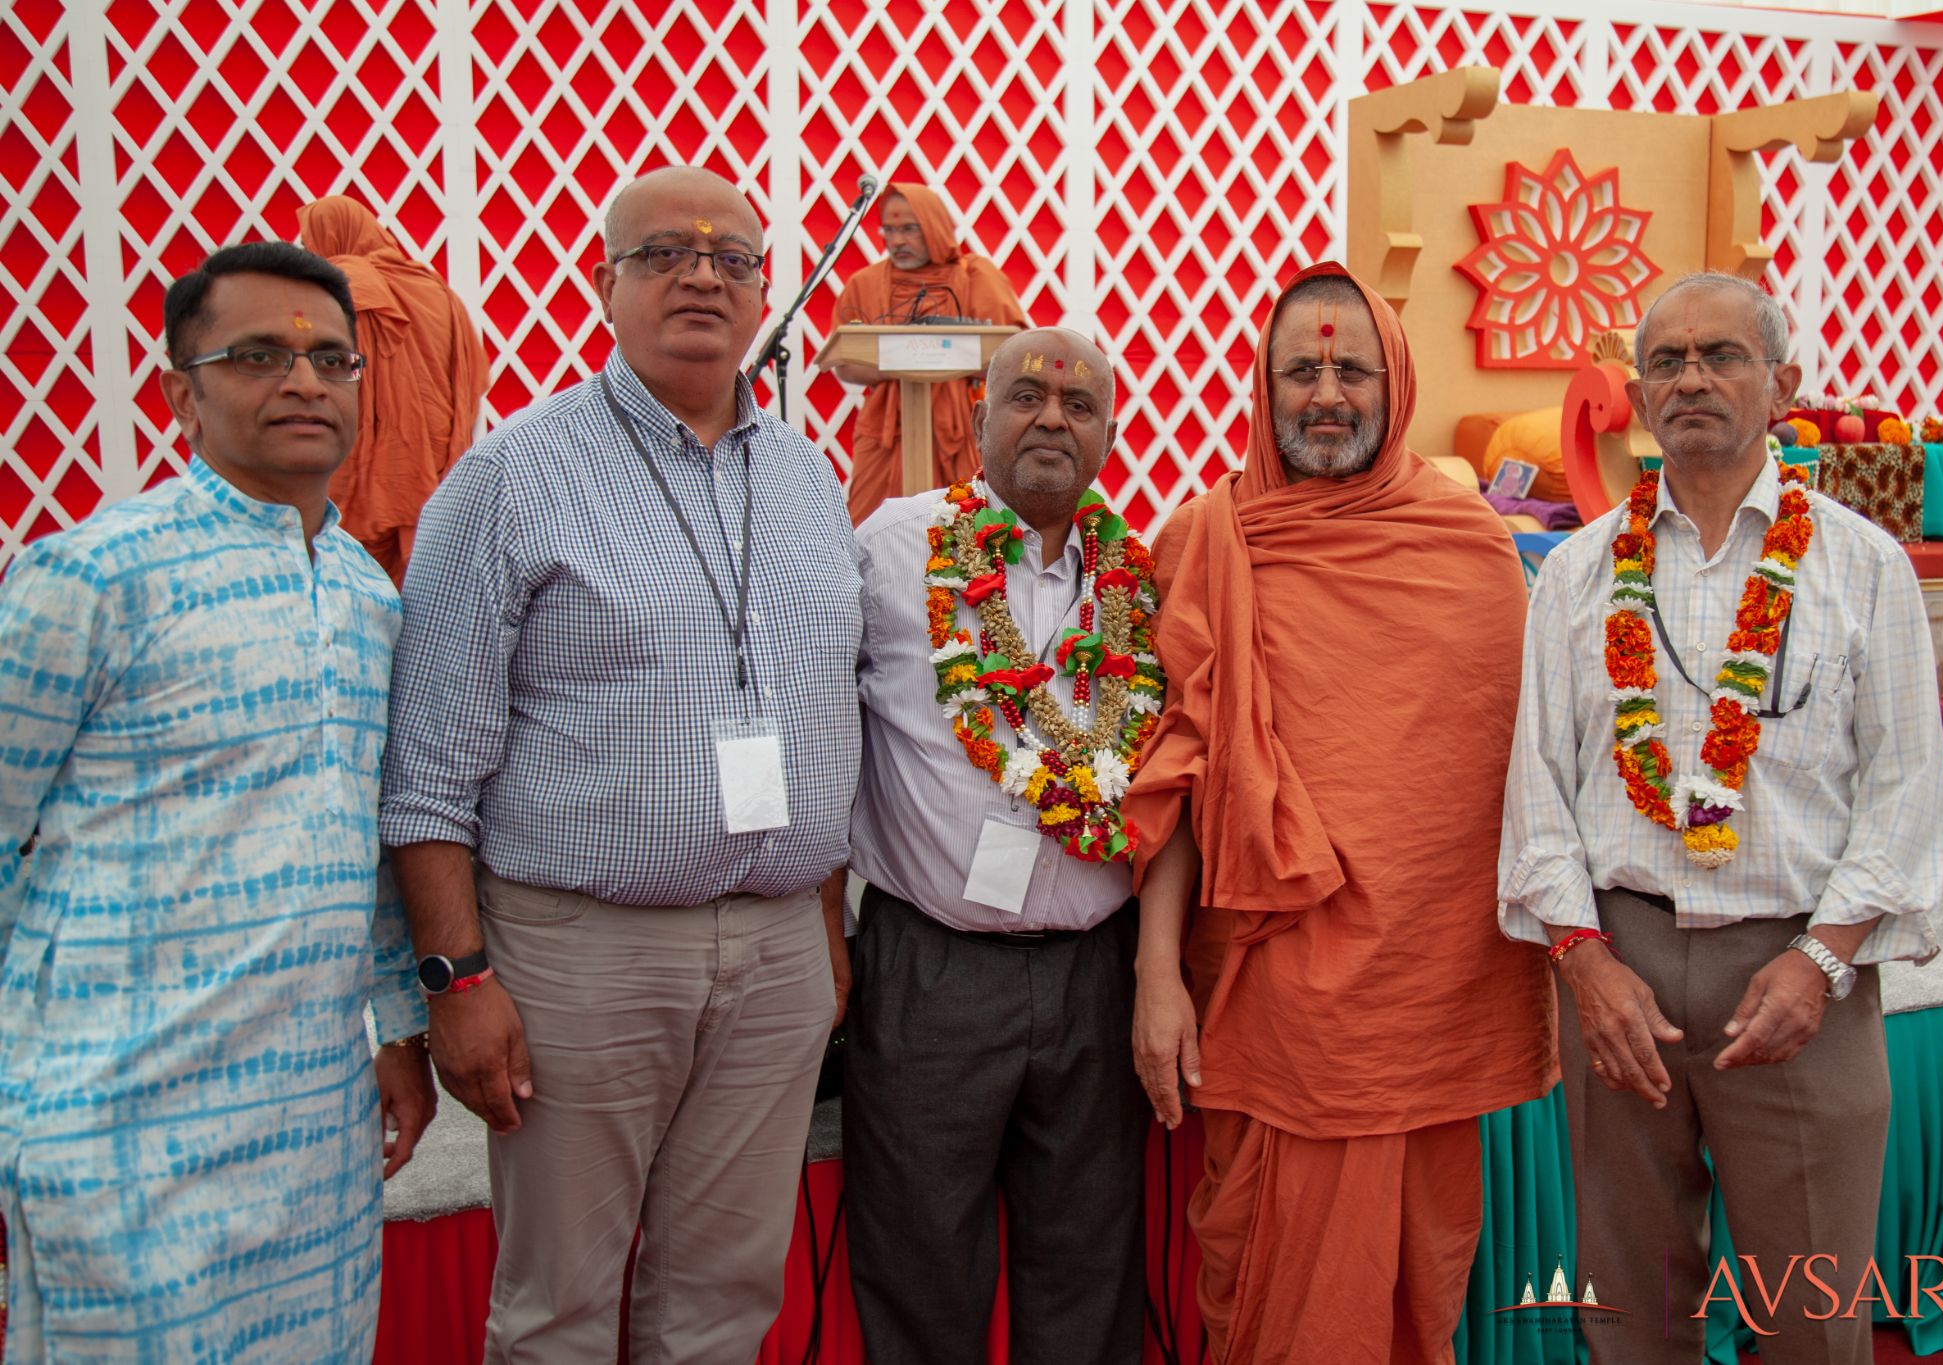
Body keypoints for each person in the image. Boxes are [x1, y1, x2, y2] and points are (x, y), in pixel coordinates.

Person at [380, 167, 860, 1363]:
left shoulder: (808, 480)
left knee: (724, 1301)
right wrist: (456, 982)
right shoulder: (511, 476)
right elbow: (426, 770)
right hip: (581, 956)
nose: (701, 274)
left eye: (731, 258)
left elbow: (825, 722)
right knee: (559, 1307)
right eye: (663, 254)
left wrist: (822, 934)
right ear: (604, 285)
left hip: (775, 953)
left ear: (761, 294)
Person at [1498, 270, 1943, 1363]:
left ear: (1782, 387)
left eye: (1721, 356)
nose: (1690, 379)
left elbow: (1905, 794)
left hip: (1801, 972)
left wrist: (1821, 961)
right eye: (1666, 362)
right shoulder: (1576, 573)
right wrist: (1582, 962)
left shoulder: (1863, 567)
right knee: (1630, 1306)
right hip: (1619, 970)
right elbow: (1536, 790)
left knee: (1811, 1312)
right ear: (1638, 398)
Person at [0, 242, 434, 1361]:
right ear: (179, 392)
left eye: (331, 360)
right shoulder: (89, 576)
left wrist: (400, 1027)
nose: (303, 382)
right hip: (116, 1115)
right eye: (257, 357)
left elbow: (368, 844)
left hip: (313, 1120)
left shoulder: (368, 596)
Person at [1123, 262, 1555, 1365]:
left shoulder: (1469, 549)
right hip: (1260, 988)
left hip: (1418, 998)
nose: (1325, 395)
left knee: (1406, 1277)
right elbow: (1175, 776)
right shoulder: (1206, 541)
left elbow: (1508, 778)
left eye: (1351, 370)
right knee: (1264, 1274)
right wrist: (1156, 975)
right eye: (1299, 373)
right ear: (1261, 388)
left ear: (1395, 383)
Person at [842, 327, 1158, 1364]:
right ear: (978, 420)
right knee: (921, 1271)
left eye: (1079, 405)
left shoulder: (1135, 579)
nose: (1052, 419)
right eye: (1026, 397)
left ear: (1108, 435)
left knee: (1088, 1273)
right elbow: (820, 727)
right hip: (932, 974)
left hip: (1092, 974)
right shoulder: (894, 547)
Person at [298, 194, 489, 585]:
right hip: (439, 455)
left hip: (382, 466)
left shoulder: (348, 288)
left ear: (333, 235)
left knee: (361, 582)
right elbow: (469, 373)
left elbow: (342, 383)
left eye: (310, 240)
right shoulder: (432, 286)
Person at [831, 182, 1029, 525]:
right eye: (889, 230)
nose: (897, 240)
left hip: (960, 423)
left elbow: (1013, 355)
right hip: (886, 430)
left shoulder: (975, 275)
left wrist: (940, 358)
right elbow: (845, 364)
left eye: (909, 229)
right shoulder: (865, 283)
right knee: (868, 526)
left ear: (934, 227)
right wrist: (905, 362)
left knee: (970, 531)